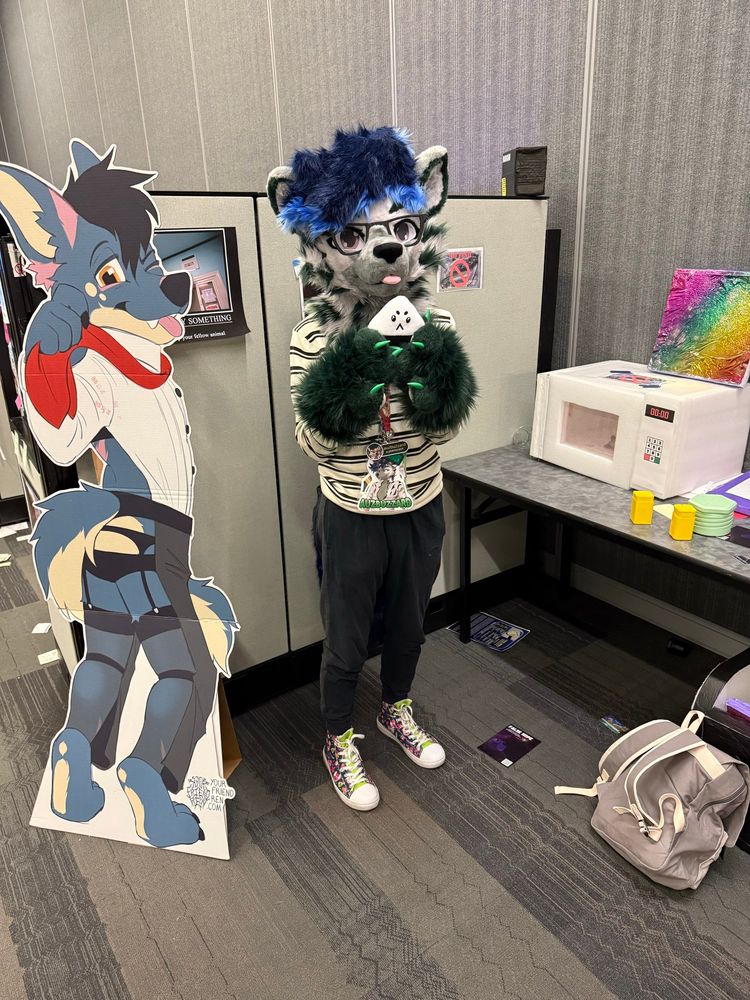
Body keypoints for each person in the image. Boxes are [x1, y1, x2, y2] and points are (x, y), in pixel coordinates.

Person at [268, 126, 477, 810]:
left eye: (399, 227)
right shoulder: (311, 336)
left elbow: (445, 425)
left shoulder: (437, 325)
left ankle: (396, 708)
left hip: (419, 501)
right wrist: (370, 357)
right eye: (355, 236)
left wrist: (417, 361)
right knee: (348, 638)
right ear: (323, 244)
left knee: (411, 624)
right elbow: (319, 443)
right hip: (352, 509)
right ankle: (337, 735)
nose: (384, 247)